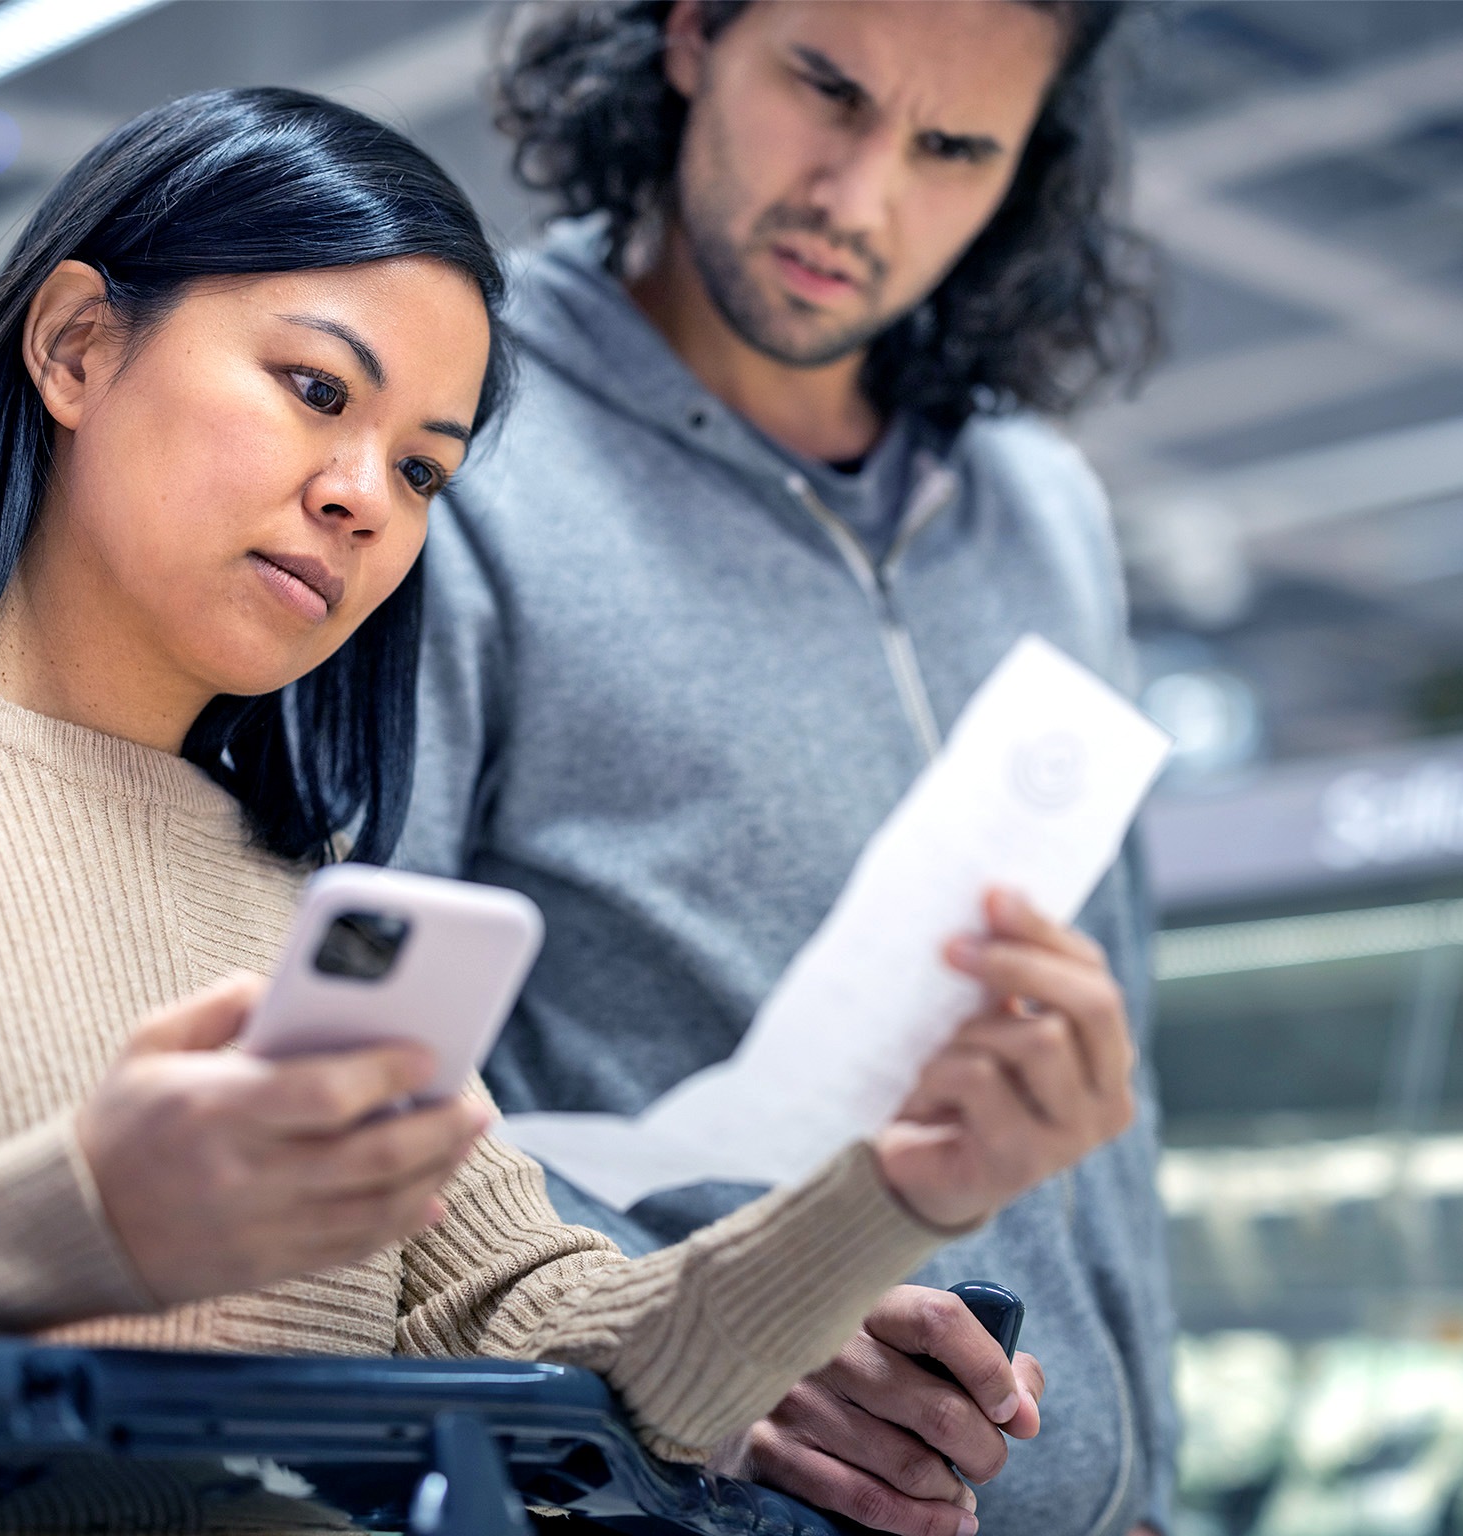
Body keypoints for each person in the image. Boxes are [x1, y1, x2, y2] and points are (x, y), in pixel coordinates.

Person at [0, 86, 1138, 1534]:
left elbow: (579, 1342)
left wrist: (900, 1189)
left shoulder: (310, 918)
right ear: (76, 346)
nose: (366, 496)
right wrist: (85, 1221)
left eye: (426, 466)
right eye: (317, 389)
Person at [396, 4, 1173, 1536]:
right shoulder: (458, 452)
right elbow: (367, 1090)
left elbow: (1122, 1079)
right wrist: (713, 1323)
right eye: (826, 88)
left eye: (954, 148)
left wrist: (1150, 1464)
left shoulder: (1047, 513)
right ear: (690, 34)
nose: (859, 195)